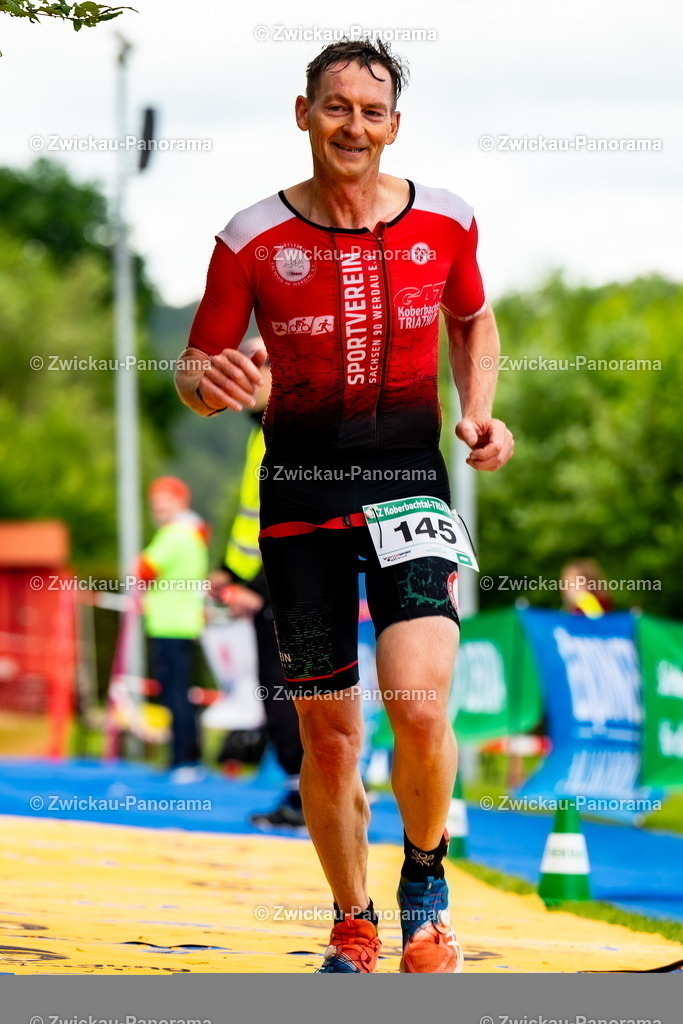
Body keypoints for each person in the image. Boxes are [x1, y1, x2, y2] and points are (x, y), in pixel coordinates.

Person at [175, 39, 514, 973]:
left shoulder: (446, 219)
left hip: (408, 482)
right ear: (303, 114)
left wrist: (479, 412)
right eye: (335, 107)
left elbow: (471, 318)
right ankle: (351, 920)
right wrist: (212, 383)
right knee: (327, 736)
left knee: (419, 703)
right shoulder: (249, 237)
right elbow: (194, 368)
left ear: (393, 125)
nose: (352, 126)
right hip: (299, 494)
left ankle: (426, 891)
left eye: (370, 112)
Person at [211, 336, 305, 831]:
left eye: (257, 367)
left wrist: (259, 589)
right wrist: (229, 572)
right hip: (269, 586)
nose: (244, 378)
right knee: (279, 690)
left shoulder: (291, 433)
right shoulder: (261, 433)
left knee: (290, 691)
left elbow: (295, 525)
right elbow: (253, 517)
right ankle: (303, 793)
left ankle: (308, 797)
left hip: (288, 589)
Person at [137, 476, 210, 783]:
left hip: (169, 623)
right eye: (155, 505)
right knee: (181, 692)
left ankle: (184, 760)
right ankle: (186, 758)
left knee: (175, 694)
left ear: (181, 502)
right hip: (185, 622)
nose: (159, 511)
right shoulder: (193, 534)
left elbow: (143, 568)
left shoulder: (174, 534)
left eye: (164, 503)